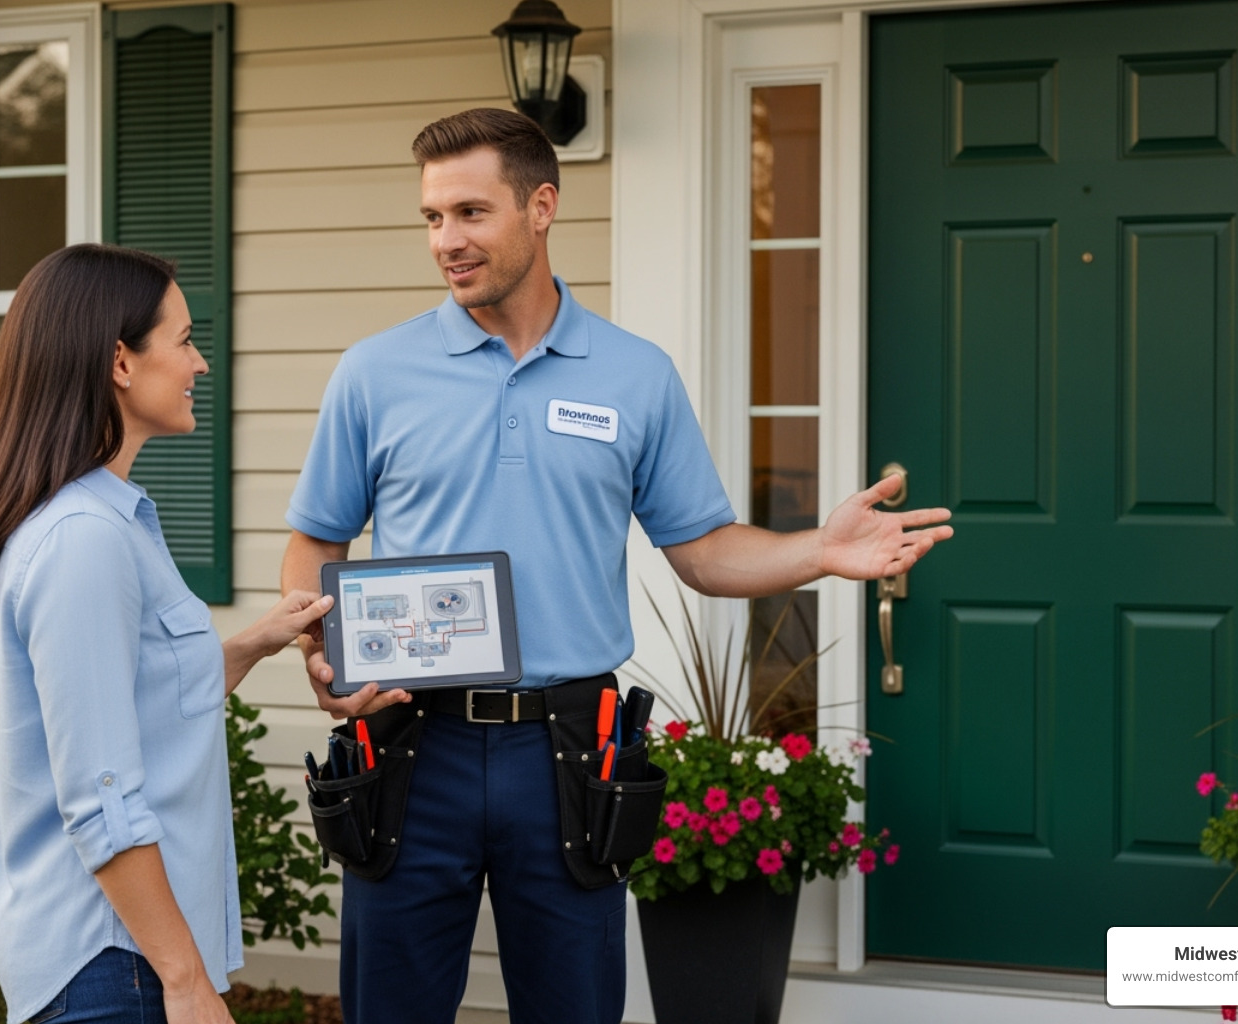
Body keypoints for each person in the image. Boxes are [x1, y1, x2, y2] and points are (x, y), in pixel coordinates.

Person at [280, 108, 954, 1024]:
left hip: (569, 747)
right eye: (433, 218)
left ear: (542, 206)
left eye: (471, 213)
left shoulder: (636, 375)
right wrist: (325, 655)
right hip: (410, 743)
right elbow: (316, 541)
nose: (447, 241)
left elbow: (706, 552)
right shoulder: (374, 372)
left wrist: (820, 552)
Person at [0, 243, 336, 1024]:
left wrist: (251, 642)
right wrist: (186, 981)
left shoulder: (109, 520)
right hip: (115, 961)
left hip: (123, 958)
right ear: (121, 364)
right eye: (184, 340)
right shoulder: (85, 540)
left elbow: (134, 696)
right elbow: (100, 795)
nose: (200, 363)